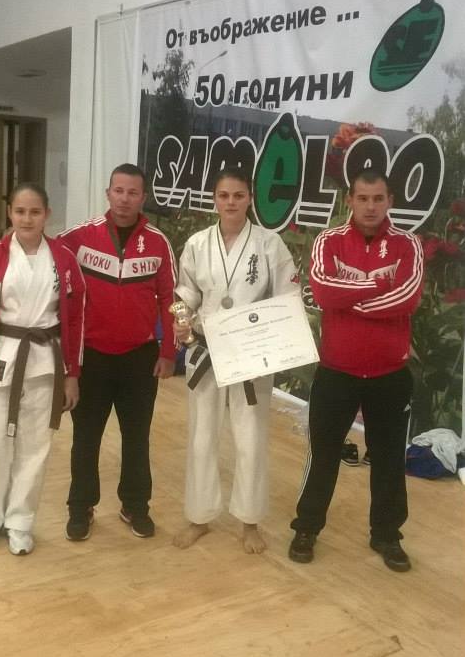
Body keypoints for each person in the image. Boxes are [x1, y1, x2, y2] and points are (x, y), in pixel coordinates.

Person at [288, 168, 424, 572]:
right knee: (323, 453)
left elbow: (407, 299)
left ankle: (387, 535)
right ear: (350, 200)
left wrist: (348, 298)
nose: (370, 206)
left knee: (388, 458)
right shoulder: (328, 241)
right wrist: (378, 286)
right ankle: (306, 527)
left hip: (389, 375)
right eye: (362, 198)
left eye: (378, 198)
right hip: (337, 371)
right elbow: (322, 291)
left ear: (390, 201)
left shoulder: (408, 245)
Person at [172, 168, 298, 554]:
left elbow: (288, 296)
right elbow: (184, 294)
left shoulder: (269, 244)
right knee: (201, 437)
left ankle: (249, 522)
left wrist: (272, 338)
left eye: (238, 195)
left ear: (249, 199)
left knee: (251, 438)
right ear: (215, 199)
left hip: (251, 352)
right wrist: (181, 321)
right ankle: (199, 516)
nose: (231, 202)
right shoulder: (198, 243)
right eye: (224, 195)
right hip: (206, 350)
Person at [0, 183, 85, 555]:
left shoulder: (64, 259)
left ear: (47, 215)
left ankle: (20, 522)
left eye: (35, 212)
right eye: (20, 211)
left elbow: (76, 319)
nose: (27, 219)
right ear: (9, 213)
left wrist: (72, 374)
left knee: (34, 449)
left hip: (45, 363)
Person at [59, 164, 176, 541]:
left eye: (133, 192)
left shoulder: (158, 243)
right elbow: (34, 246)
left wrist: (169, 350)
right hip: (91, 358)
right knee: (86, 438)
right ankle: (80, 508)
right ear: (108, 193)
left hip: (140, 358)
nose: (125, 199)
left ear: (143, 197)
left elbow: (170, 300)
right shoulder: (79, 237)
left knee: (137, 437)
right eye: (119, 191)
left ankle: (135, 506)